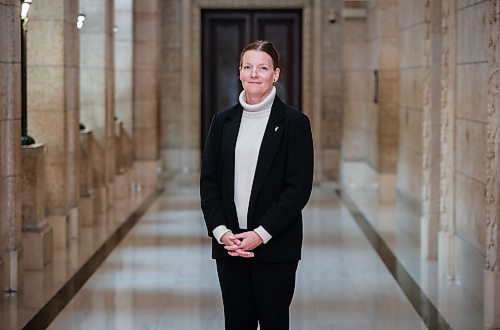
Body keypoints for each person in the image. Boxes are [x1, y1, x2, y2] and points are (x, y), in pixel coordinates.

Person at [200, 40, 314, 330]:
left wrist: (261, 234)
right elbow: (209, 183)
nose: (254, 74)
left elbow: (298, 188)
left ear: (276, 74)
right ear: (239, 72)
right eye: (247, 67)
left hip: (276, 247)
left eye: (262, 68)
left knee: (274, 323)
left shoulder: (295, 123)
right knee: (237, 324)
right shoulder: (222, 121)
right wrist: (222, 233)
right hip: (230, 247)